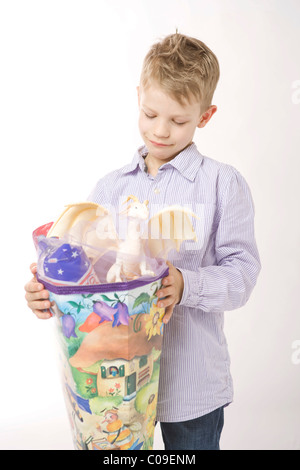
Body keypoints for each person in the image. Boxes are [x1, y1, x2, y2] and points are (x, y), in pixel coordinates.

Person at [24, 33, 261, 450]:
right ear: (138, 97)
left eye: (178, 120)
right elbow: (82, 269)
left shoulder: (223, 184)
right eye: (150, 114)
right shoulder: (109, 190)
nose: (161, 130)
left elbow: (242, 274)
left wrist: (187, 284)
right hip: (115, 392)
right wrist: (48, 290)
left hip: (191, 387)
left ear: (205, 116)